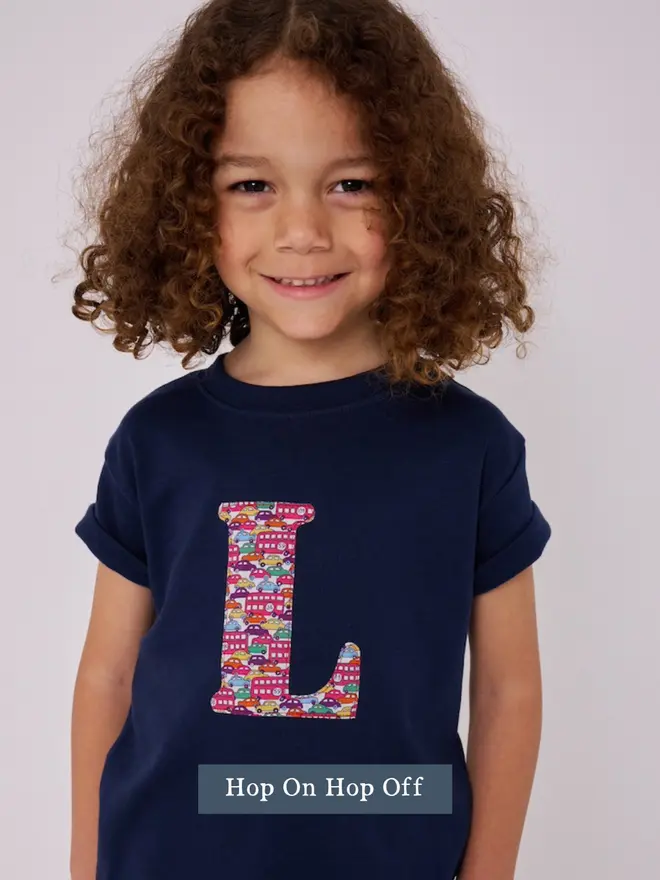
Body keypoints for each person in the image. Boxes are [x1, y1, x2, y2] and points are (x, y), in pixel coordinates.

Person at [68, 1, 553, 878]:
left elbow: (507, 687)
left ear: (418, 198)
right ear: (188, 204)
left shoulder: (470, 448)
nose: (303, 231)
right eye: (252, 184)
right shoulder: (158, 440)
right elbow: (107, 677)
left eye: (352, 183)